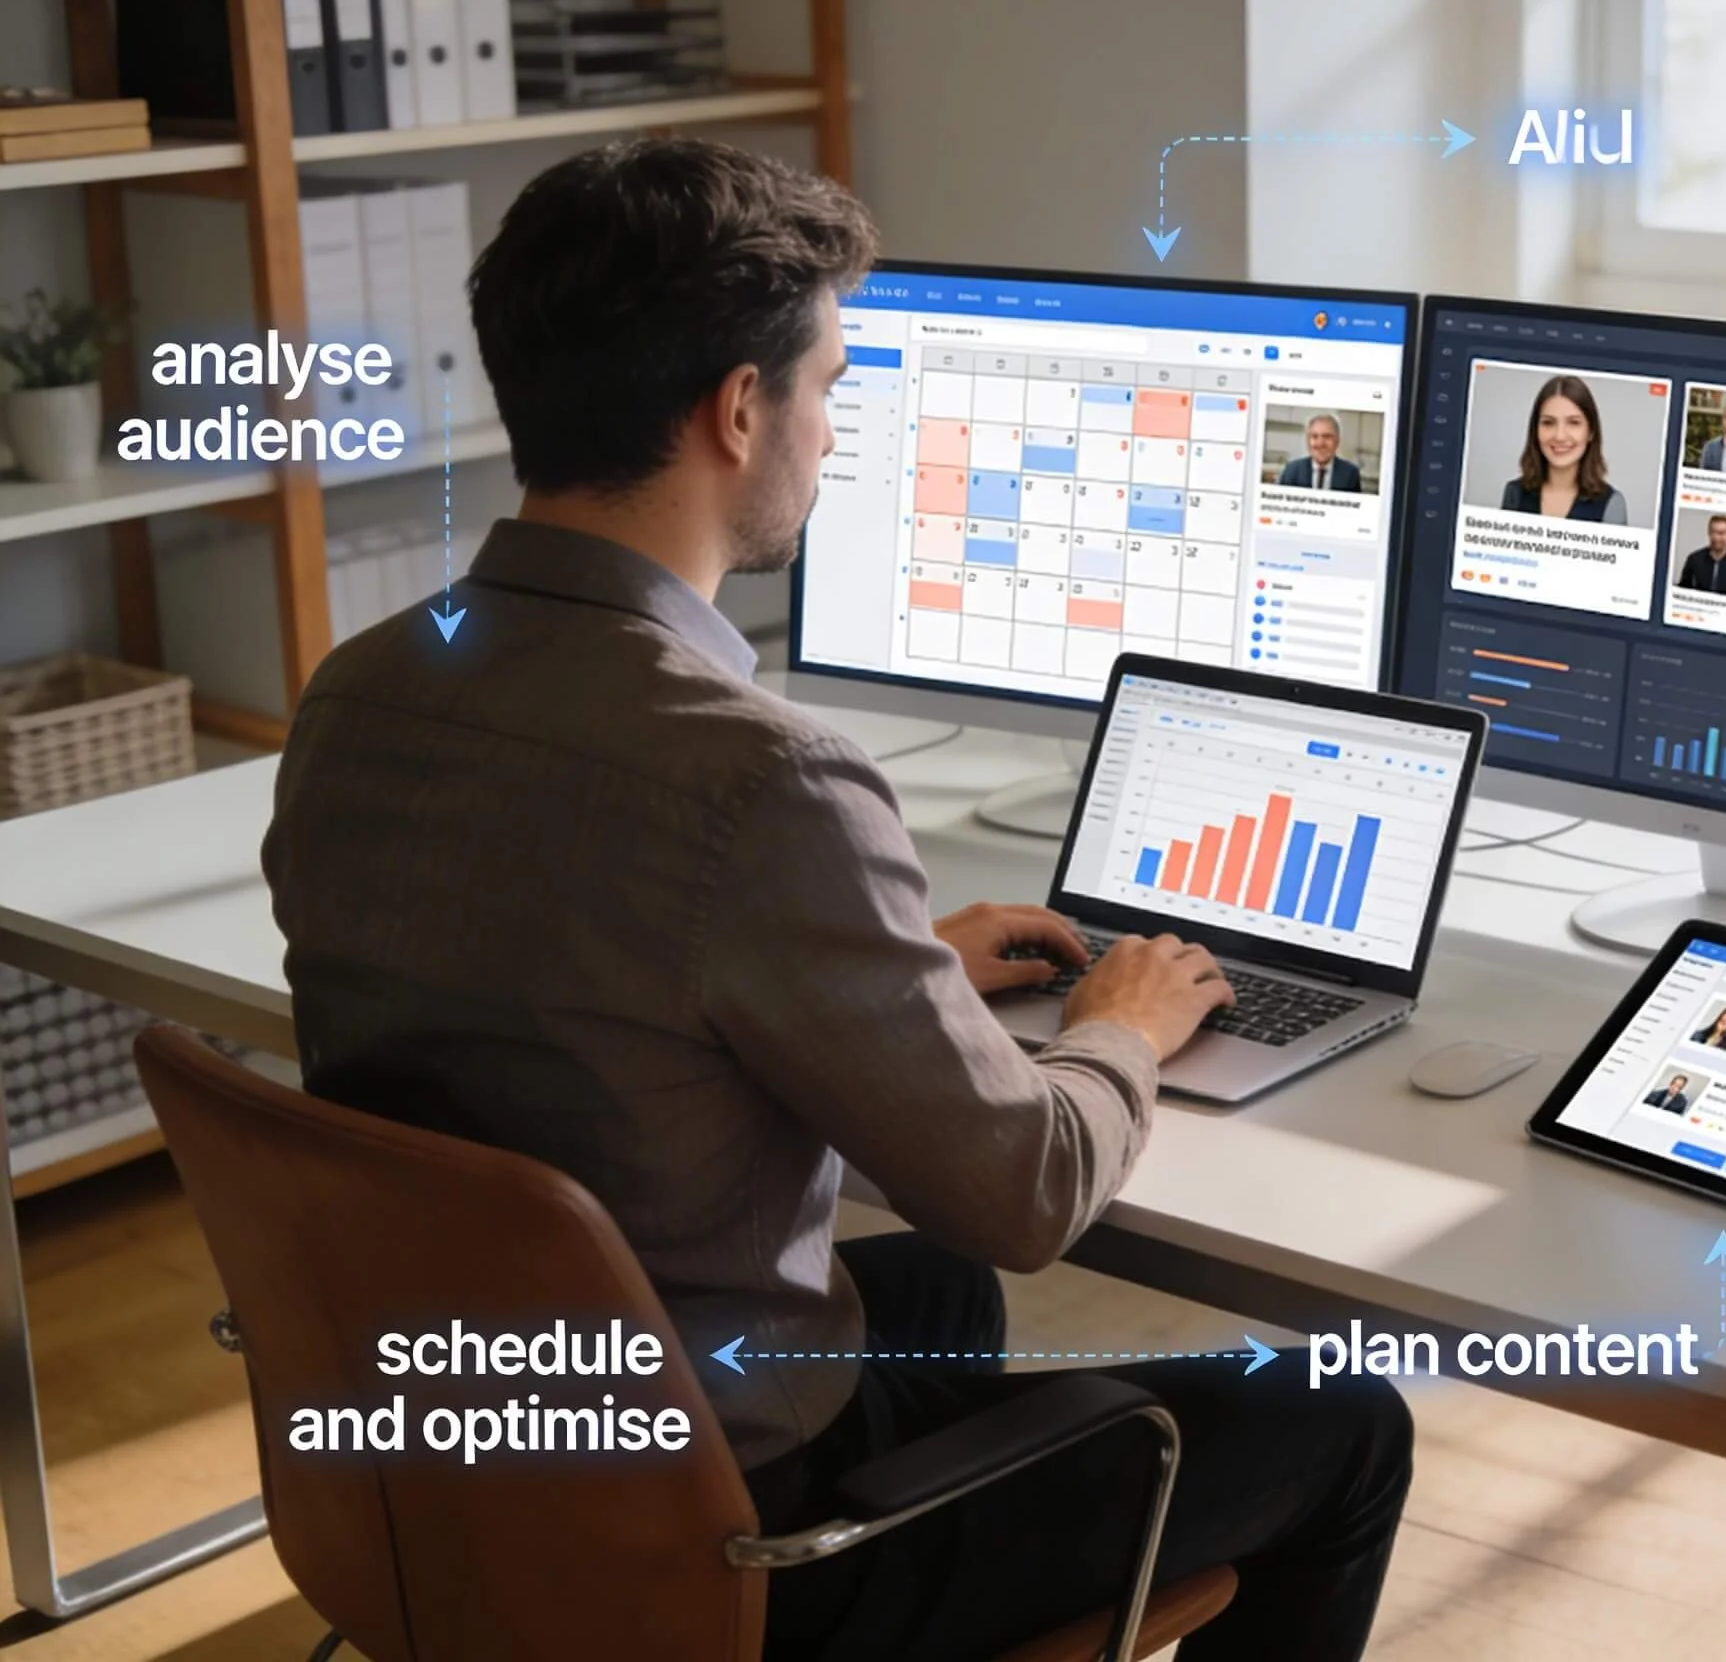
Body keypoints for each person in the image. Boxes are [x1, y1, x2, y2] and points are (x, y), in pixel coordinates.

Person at [261, 141, 1410, 1662]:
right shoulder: (763, 777)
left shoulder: (366, 687)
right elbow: (1028, 1194)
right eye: (832, 387)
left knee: (921, 1287)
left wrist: (885, 975)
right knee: (1339, 1421)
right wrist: (1118, 1027)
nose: (832, 428)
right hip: (728, 1548)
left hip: (460, 1459)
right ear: (741, 409)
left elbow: (555, 995)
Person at [1499, 374, 1629, 523]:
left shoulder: (1612, 504)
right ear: (1535, 431)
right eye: (1548, 423)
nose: (1560, 436)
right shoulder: (1514, 493)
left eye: (1573, 423)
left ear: (1591, 432)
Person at [1278, 413, 1361, 492]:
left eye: (1327, 437)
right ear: (1308, 441)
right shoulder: (1291, 471)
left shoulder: (1351, 474)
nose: (1320, 443)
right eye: (1314, 437)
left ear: (1337, 441)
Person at [1675, 514, 1726, 598]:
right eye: (1713, 532)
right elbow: (1682, 592)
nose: (1716, 537)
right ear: (1708, 533)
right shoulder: (1694, 559)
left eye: (1721, 533)